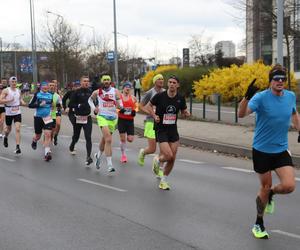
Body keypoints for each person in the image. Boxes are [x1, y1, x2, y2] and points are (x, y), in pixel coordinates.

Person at [238, 64, 299, 239]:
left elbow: (294, 114)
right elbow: (241, 115)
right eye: (276, 79)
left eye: (282, 79)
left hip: (281, 149)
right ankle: (258, 223)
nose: (280, 82)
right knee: (264, 186)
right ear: (270, 81)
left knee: (289, 186)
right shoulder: (260, 97)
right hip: (262, 150)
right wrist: (246, 98)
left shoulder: (290, 96)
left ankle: (272, 193)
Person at [144, 75, 190, 190]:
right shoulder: (160, 96)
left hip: (173, 130)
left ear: (178, 85)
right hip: (161, 129)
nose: (171, 84)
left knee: (172, 158)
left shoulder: (180, 98)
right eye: (170, 82)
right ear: (168, 84)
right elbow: (148, 106)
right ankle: (157, 160)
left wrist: (186, 113)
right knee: (168, 155)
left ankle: (163, 180)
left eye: (174, 82)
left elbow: (183, 109)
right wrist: (154, 116)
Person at [88, 74, 123, 172]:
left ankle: (98, 155)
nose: (106, 81)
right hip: (102, 117)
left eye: (108, 80)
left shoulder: (115, 91)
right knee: (108, 139)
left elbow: (121, 104)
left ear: (110, 81)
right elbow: (90, 100)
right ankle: (110, 165)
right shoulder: (97, 92)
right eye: (105, 80)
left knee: (104, 140)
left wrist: (120, 106)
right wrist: (94, 108)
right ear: (102, 81)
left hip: (112, 118)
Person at [137, 74, 165, 169]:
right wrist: (150, 112)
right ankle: (143, 152)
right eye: (159, 79)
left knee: (163, 149)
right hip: (150, 122)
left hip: (162, 123)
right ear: (155, 81)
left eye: (162, 79)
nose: (161, 80)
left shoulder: (165, 92)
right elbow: (140, 106)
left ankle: (158, 167)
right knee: (152, 149)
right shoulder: (150, 93)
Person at [29, 82, 60, 161]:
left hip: (47, 117)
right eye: (44, 87)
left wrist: (55, 106)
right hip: (38, 117)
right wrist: (39, 105)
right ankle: (34, 140)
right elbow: (30, 105)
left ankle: (47, 153)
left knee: (48, 134)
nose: (45, 88)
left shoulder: (51, 95)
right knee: (38, 136)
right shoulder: (37, 94)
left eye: (46, 87)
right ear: (41, 88)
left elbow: (53, 104)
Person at [68, 76, 93, 165]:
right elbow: (70, 104)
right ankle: (72, 145)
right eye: (84, 81)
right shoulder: (76, 92)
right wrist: (78, 105)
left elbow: (95, 102)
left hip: (87, 117)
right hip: (78, 117)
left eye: (88, 81)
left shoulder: (90, 92)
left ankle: (88, 157)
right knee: (76, 136)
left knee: (88, 137)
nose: (86, 83)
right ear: (81, 82)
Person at [0, 76, 26, 154]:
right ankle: (6, 137)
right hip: (8, 112)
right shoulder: (6, 91)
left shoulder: (18, 90)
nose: (14, 83)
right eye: (12, 82)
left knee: (17, 129)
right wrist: (8, 100)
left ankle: (18, 147)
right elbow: (0, 100)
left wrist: (22, 101)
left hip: (17, 112)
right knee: (8, 129)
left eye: (15, 82)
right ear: (9, 82)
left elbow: (20, 98)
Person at [117, 81, 138, 163]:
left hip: (130, 121)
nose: (128, 89)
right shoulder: (119, 98)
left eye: (129, 88)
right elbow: (116, 107)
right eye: (126, 87)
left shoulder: (133, 98)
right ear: (123, 89)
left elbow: (136, 107)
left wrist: (134, 111)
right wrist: (119, 110)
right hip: (121, 120)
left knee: (130, 139)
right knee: (123, 139)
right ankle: (123, 155)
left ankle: (123, 144)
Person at [49, 80, 62, 146]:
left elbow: (61, 103)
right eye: (51, 85)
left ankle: (56, 135)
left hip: (56, 110)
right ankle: (49, 142)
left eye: (54, 84)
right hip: (49, 112)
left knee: (58, 124)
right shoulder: (47, 93)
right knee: (50, 130)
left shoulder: (58, 93)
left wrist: (59, 105)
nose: (53, 86)